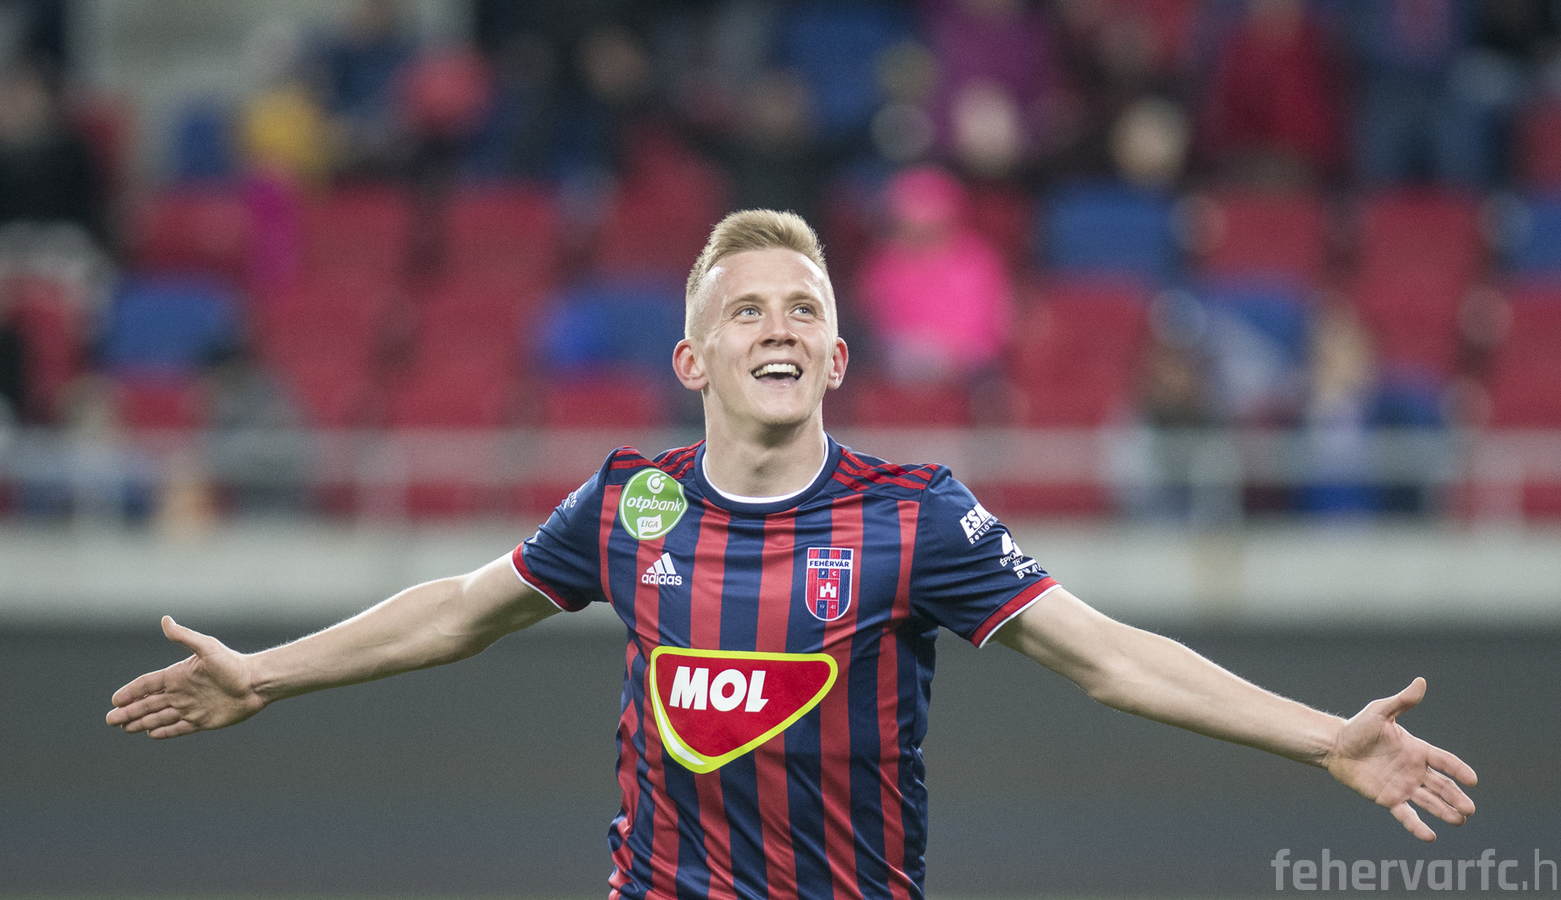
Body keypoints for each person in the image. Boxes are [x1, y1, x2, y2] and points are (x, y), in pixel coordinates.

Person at [107, 210, 1477, 899]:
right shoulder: (632, 504)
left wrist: (1324, 741)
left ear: (834, 354)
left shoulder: (917, 516)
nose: (779, 325)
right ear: (694, 357)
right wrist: (264, 675)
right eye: (748, 308)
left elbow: (1111, 658)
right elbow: (457, 612)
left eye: (804, 309)